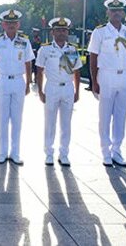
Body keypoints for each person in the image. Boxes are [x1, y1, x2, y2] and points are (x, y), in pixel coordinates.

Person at [88, 0, 126, 167]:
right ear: (107, 12)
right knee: (105, 115)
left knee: (121, 115)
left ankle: (117, 150)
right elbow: (93, 57)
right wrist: (94, 81)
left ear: (123, 13)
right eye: (113, 10)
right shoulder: (100, 32)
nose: (116, 13)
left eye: (119, 10)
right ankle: (105, 151)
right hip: (106, 76)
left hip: (124, 76)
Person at [0, 9, 34, 166]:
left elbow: (28, 63)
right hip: (2, 81)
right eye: (8, 23)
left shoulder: (25, 42)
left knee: (17, 119)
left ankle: (15, 153)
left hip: (18, 81)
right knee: (2, 119)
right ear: (3, 25)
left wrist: (29, 83)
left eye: (14, 23)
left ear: (18, 24)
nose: (11, 26)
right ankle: (2, 152)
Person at [36, 17, 82, 167]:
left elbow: (76, 72)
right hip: (52, 87)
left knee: (66, 123)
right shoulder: (45, 49)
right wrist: (40, 91)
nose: (62, 33)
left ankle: (64, 153)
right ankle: (49, 153)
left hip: (68, 87)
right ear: (52, 32)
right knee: (50, 122)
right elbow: (39, 70)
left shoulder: (72, 49)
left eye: (64, 30)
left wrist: (77, 91)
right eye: (58, 30)